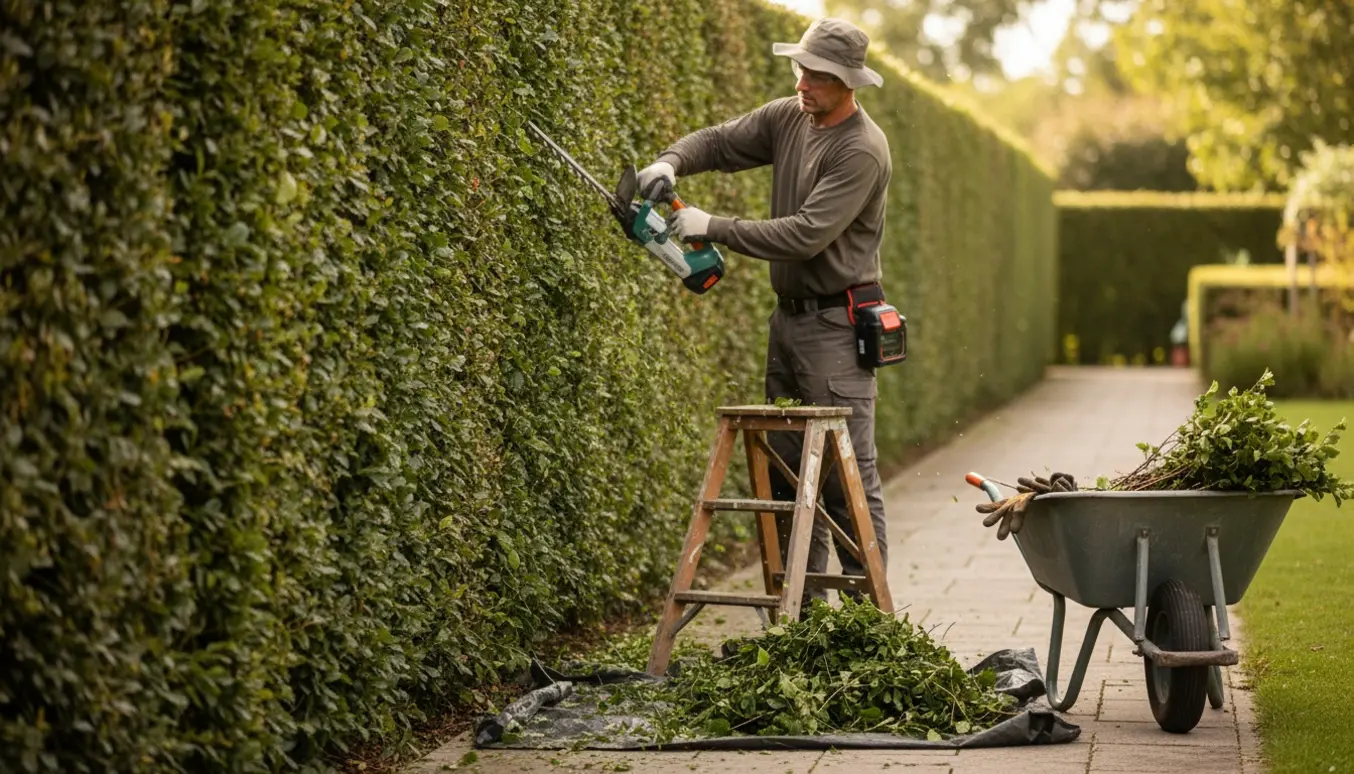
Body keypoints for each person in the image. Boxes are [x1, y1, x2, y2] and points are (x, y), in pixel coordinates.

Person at [636, 18, 893, 612]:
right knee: (785, 476)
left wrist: (712, 226)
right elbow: (722, 142)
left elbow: (806, 235)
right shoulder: (789, 116)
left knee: (844, 478)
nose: (804, 82)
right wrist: (672, 162)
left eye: (819, 76)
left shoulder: (861, 150)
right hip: (789, 322)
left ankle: (868, 628)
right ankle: (800, 622)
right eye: (801, 69)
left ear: (848, 82)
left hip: (836, 326)